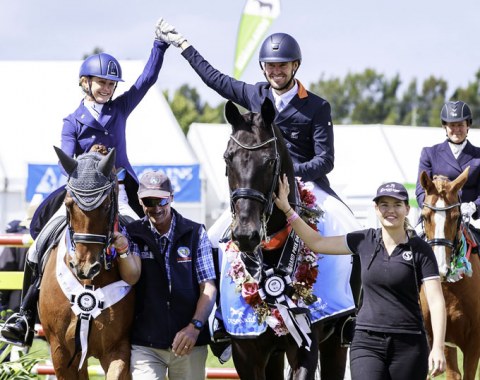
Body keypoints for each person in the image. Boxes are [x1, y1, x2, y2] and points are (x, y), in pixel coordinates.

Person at [155, 18, 362, 344]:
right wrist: (183, 45)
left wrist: (291, 177)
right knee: (212, 240)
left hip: (305, 185)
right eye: (270, 65)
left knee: (350, 229)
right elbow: (214, 78)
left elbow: (326, 159)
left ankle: (350, 315)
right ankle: (220, 318)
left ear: (295, 66)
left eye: (282, 65)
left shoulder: (317, 106)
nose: (276, 71)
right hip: (258, 188)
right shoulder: (254, 94)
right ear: (263, 68)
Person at [274, 174, 447, 379]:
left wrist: (437, 346)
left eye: (397, 205)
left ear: (407, 209)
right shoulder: (364, 240)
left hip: (409, 343)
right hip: (367, 343)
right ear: (376, 209)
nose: (390, 210)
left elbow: (436, 301)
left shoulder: (421, 250)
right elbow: (317, 243)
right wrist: (287, 209)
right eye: (384, 204)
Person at [0, 150, 141, 347]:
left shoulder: (118, 117)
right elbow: (65, 155)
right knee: (35, 249)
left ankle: (152, 313)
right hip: (78, 189)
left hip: (116, 189)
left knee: (143, 237)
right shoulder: (73, 121)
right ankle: (24, 315)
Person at [124, 170, 217, 380]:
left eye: (162, 200)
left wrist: (195, 327)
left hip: (190, 341)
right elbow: (131, 278)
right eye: (149, 201)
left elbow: (208, 287)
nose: (156, 208)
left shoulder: (195, 232)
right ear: (140, 201)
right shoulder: (132, 233)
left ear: (172, 198)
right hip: (145, 343)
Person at [416, 100, 480, 222]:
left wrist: (474, 206)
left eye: (460, 125)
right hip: (435, 217)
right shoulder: (429, 154)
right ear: (445, 126)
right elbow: (420, 191)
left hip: (470, 218)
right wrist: (435, 207)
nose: (456, 129)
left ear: (468, 125)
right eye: (452, 125)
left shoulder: (478, 156)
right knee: (412, 239)